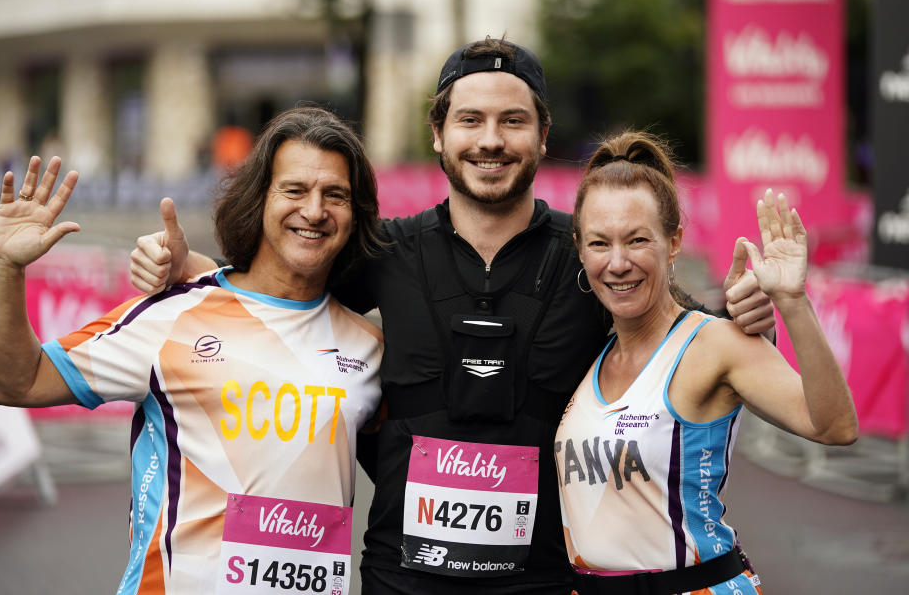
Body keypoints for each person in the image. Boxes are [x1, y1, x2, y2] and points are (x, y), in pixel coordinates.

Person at [128, 38, 777, 594]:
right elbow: (272, 295)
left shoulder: (592, 254)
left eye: (512, 121)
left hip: (549, 581)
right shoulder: (383, 250)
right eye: (470, 120)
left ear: (542, 135)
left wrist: (742, 312)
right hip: (399, 579)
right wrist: (191, 268)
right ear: (438, 132)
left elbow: (683, 334)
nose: (490, 140)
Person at [0, 107, 387, 594]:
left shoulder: (369, 346)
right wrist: (4, 266)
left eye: (334, 195)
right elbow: (15, 380)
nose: (315, 210)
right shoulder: (171, 315)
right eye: (294, 190)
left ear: (355, 213)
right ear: (259, 199)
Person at [555, 131, 858, 595]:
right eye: (599, 243)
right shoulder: (589, 356)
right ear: (579, 248)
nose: (617, 263)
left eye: (637, 239)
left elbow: (835, 426)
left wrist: (792, 302)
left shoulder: (712, 342)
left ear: (673, 241)